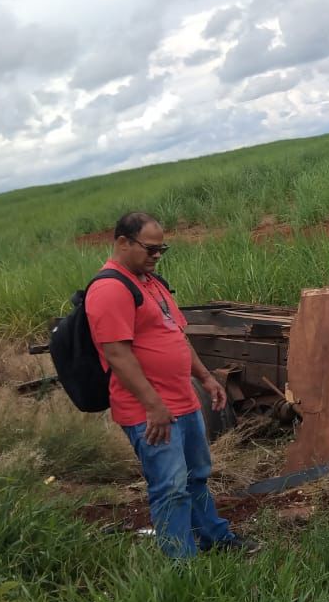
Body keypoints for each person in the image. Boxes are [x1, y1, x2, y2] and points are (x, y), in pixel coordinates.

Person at [86, 212, 259, 557]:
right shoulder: (109, 289)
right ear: (122, 242)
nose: (157, 256)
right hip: (149, 412)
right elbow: (117, 355)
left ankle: (213, 537)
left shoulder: (152, 283)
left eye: (162, 249)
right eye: (150, 249)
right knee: (171, 487)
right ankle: (181, 564)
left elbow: (177, 335)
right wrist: (153, 406)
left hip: (183, 402)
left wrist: (206, 378)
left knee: (196, 476)